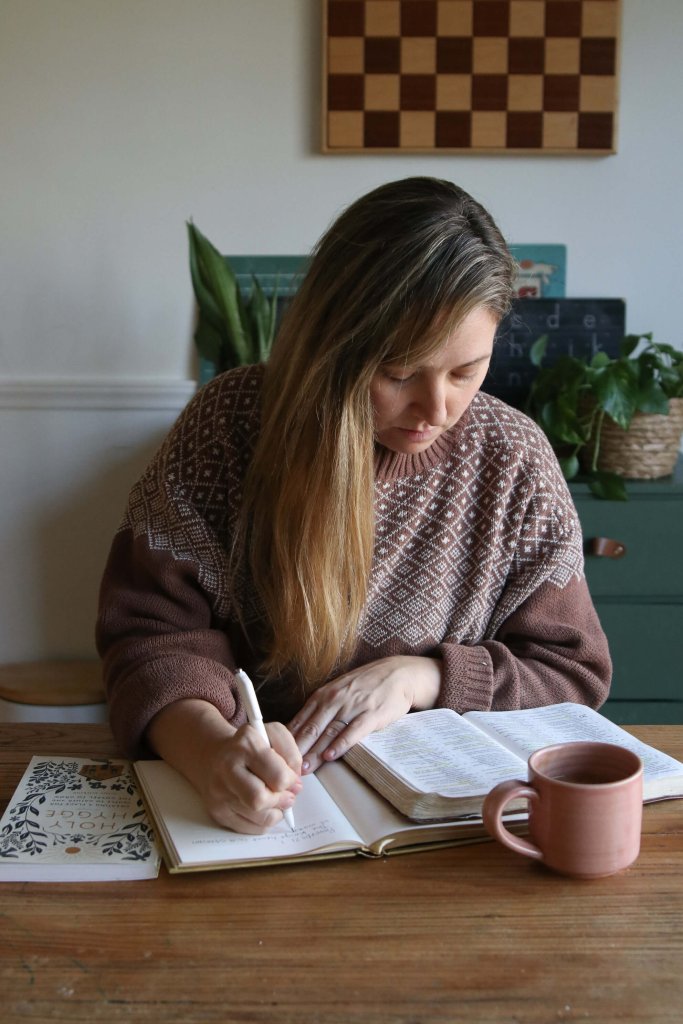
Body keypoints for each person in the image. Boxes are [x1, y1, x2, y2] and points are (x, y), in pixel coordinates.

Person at [96, 177, 611, 835]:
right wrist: (207, 750)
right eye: (398, 374)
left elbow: (571, 673)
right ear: (333, 344)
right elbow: (150, 634)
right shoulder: (226, 427)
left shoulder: (512, 460)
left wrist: (421, 679)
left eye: (465, 370)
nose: (436, 409)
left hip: (449, 833)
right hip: (257, 824)